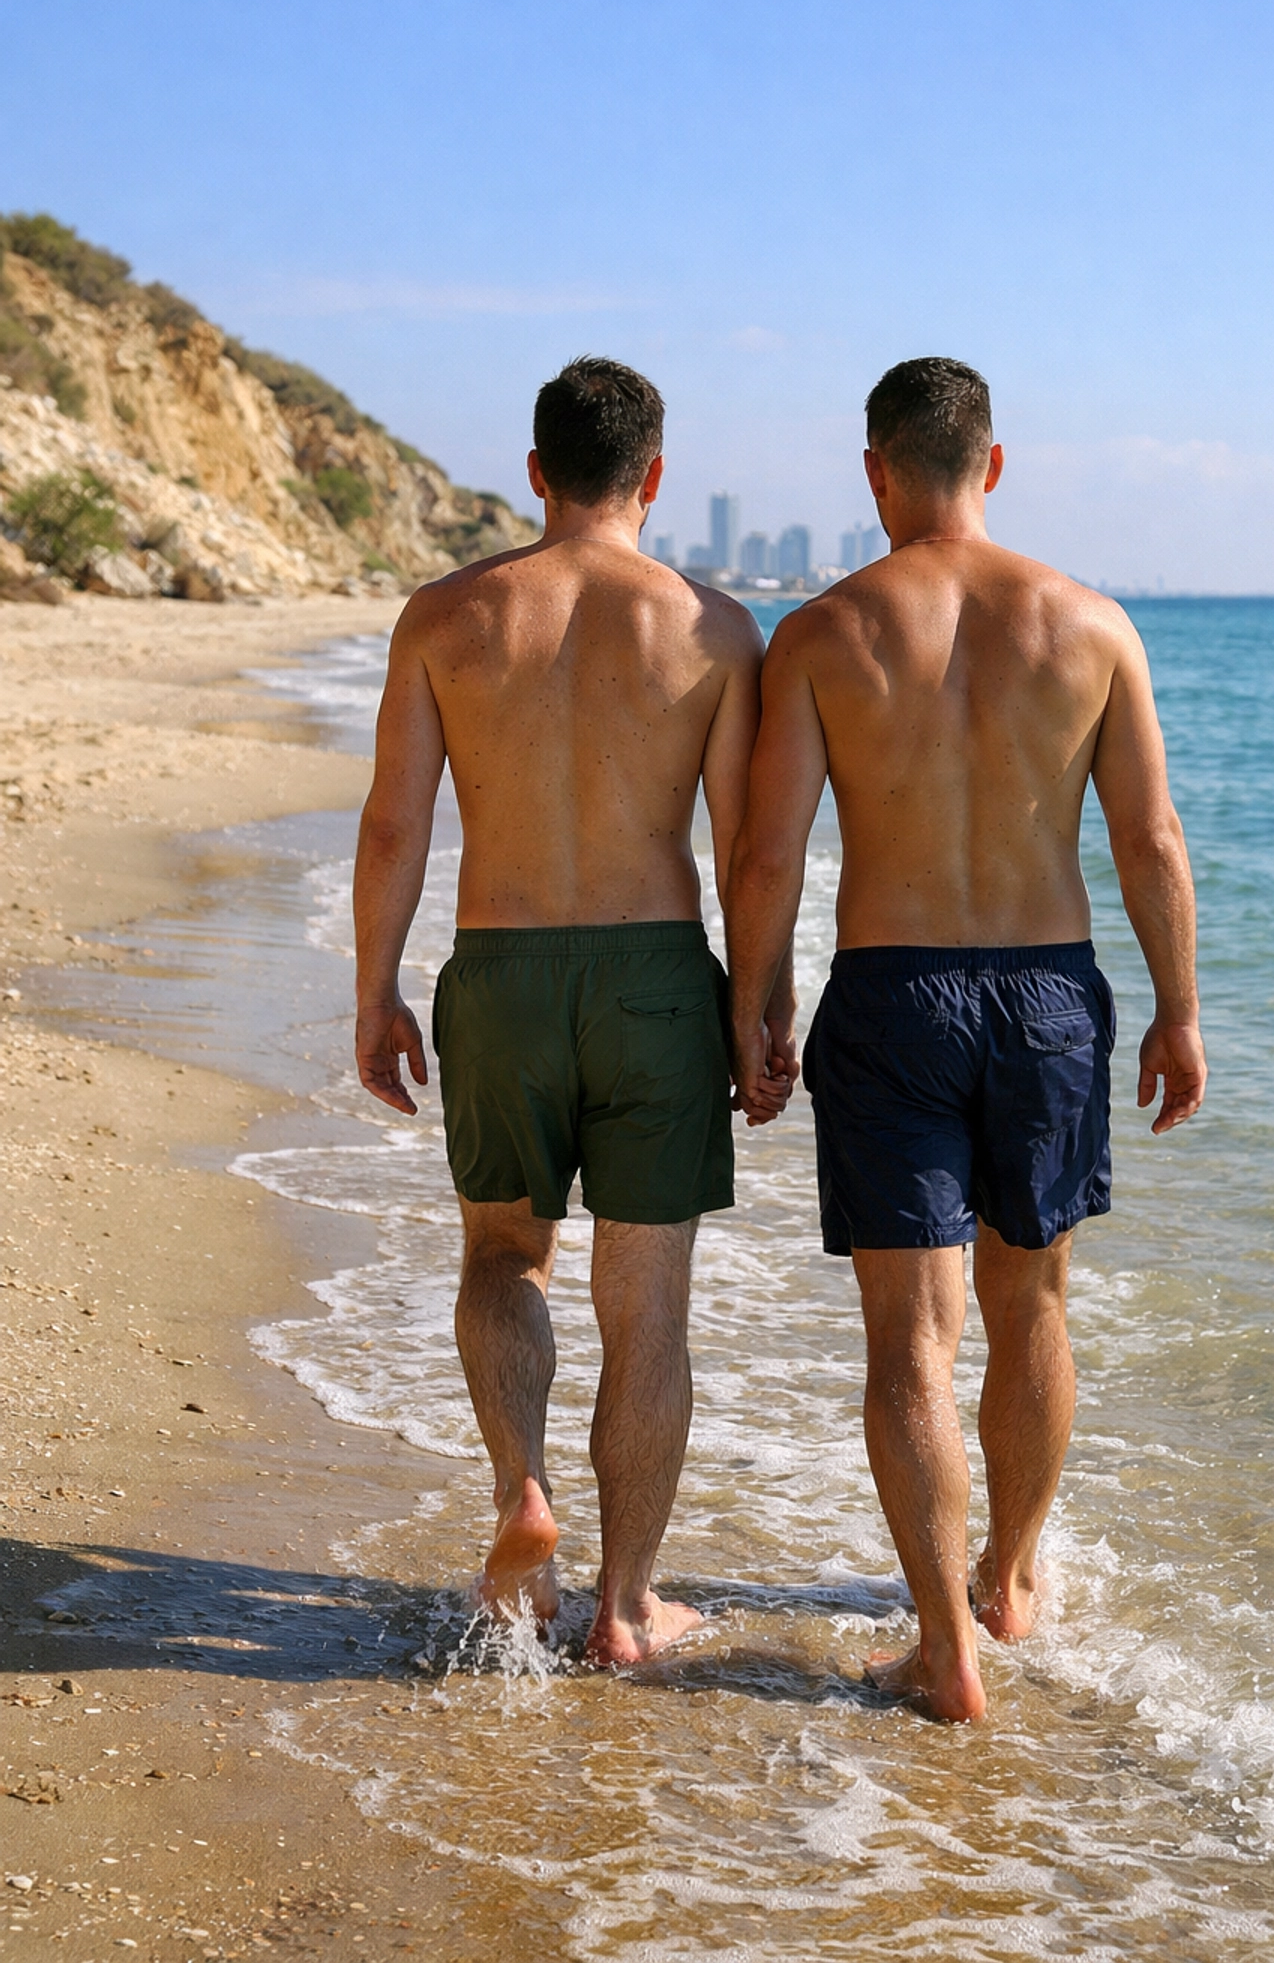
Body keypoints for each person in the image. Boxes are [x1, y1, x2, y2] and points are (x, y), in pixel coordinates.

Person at [726, 356, 1205, 1722]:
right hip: (1051, 993)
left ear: (875, 470)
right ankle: (1010, 1573)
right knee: (1031, 1303)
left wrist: (754, 1003)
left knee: (909, 1346)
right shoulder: (1095, 625)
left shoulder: (823, 633)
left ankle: (947, 1648)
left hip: (893, 992)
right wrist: (1178, 1008)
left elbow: (769, 852)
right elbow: (1149, 837)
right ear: (994, 464)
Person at [352, 357, 787, 1666]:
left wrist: (372, 990)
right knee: (647, 1301)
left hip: (503, 968)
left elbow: (393, 827)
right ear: (654, 479)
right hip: (657, 976)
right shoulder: (714, 630)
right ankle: (627, 1604)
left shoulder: (445, 618)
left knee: (503, 1257)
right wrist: (760, 1005)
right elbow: (745, 852)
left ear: (533, 472)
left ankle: (521, 1498)